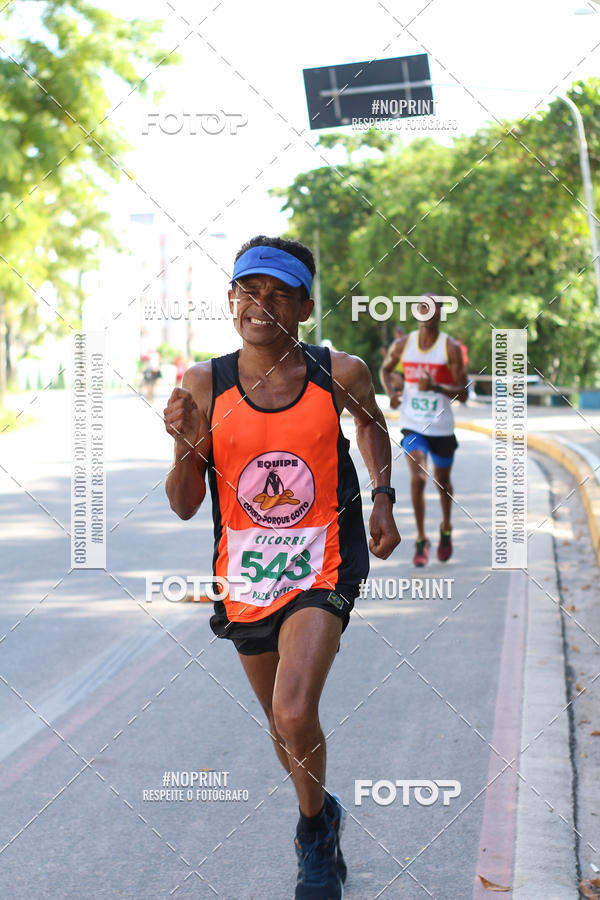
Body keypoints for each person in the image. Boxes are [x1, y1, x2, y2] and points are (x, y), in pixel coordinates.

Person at [163, 235, 400, 899]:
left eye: (277, 293)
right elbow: (185, 505)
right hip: (245, 575)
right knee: (278, 718)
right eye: (248, 290)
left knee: (295, 711)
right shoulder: (204, 384)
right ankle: (317, 816)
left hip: (326, 561)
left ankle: (313, 845)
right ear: (230, 299)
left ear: (303, 305)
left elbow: (371, 425)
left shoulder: (339, 372)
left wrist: (381, 497)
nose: (259, 304)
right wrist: (185, 447)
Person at [380, 295, 467, 567]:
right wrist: (393, 392)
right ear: (416, 313)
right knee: (418, 477)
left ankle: (445, 527)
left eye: (434, 309)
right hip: (413, 423)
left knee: (443, 482)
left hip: (441, 427)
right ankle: (421, 538)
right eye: (422, 308)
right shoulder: (403, 345)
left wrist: (438, 388)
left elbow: (463, 394)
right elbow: (384, 369)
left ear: (440, 314)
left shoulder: (449, 348)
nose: (428, 313)